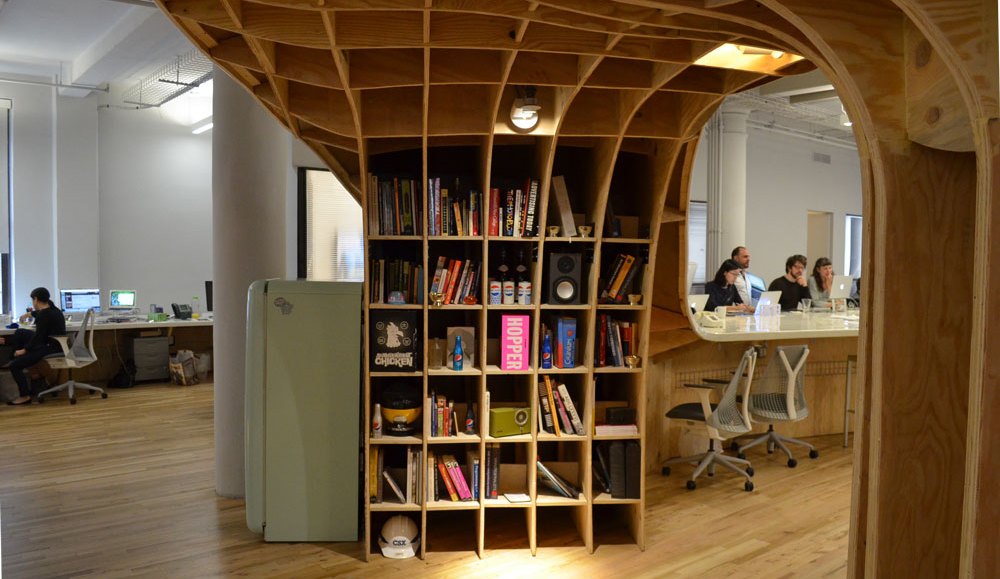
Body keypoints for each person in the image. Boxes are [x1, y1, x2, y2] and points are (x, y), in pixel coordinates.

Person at [2, 287, 66, 405]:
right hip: (54, 343)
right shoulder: (54, 309)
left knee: (15, 366)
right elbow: (41, 316)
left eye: (33, 300)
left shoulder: (43, 316)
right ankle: (14, 358)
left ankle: (24, 396)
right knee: (20, 332)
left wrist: (24, 350)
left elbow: (38, 338)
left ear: (35, 299)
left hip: (49, 347)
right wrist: (29, 313)